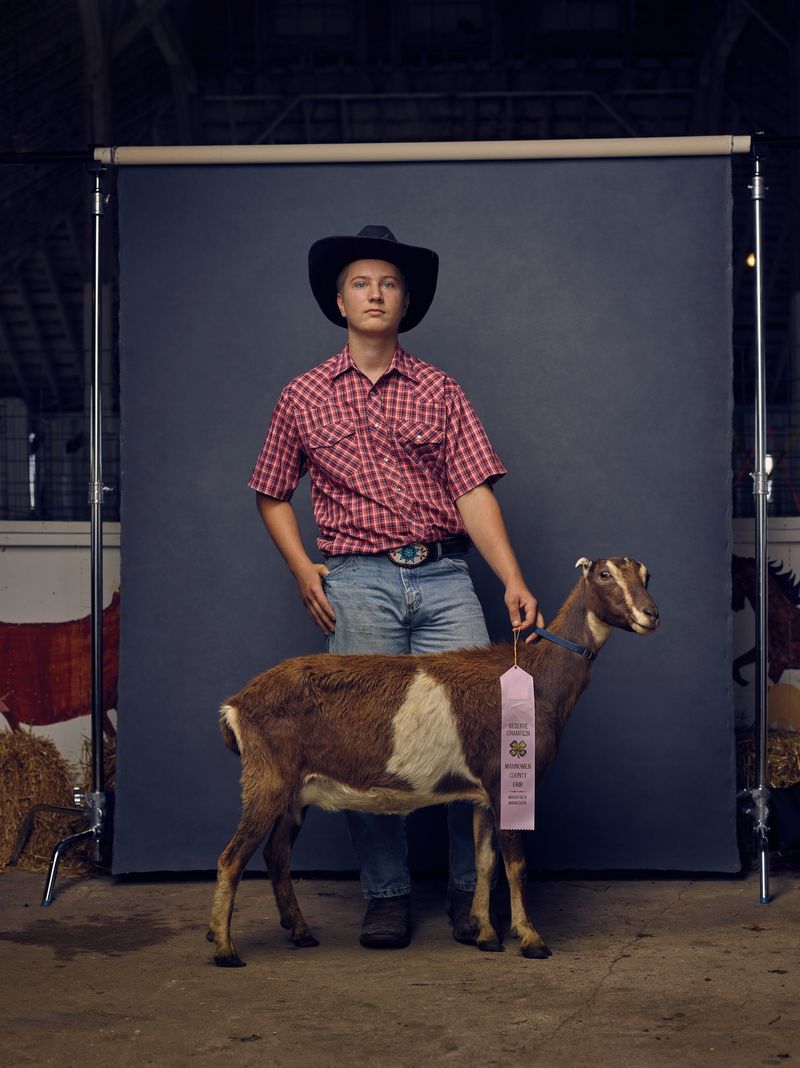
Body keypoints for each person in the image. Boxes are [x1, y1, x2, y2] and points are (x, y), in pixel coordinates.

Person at [248, 224, 543, 949]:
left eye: (388, 283)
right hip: (357, 582)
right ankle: (385, 895)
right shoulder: (303, 394)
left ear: (406, 302)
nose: (375, 294)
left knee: (481, 734)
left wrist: (510, 577)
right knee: (367, 744)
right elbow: (271, 491)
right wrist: (301, 566)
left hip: (443, 576)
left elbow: (472, 491)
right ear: (339, 300)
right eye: (360, 282)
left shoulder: (441, 390)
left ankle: (472, 895)